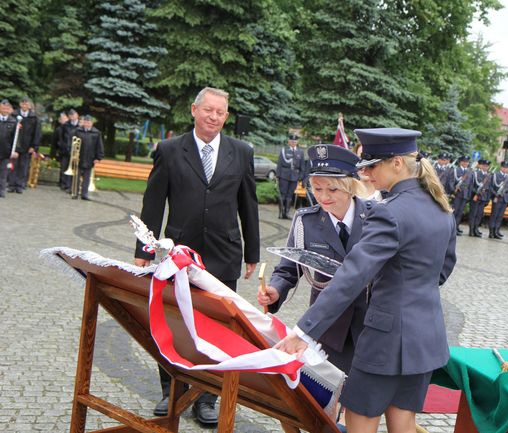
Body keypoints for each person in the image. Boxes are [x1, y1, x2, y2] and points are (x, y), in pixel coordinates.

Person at [274, 127, 457, 433]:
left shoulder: (390, 213)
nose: (367, 175)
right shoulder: (441, 209)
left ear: (396, 163)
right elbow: (442, 270)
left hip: (384, 343)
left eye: (372, 166)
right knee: (403, 424)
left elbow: (352, 277)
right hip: (425, 338)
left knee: (359, 423)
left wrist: (302, 333)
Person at [134, 87, 260, 425]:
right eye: (208, 111)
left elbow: (249, 205)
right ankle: (171, 389)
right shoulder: (170, 150)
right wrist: (144, 250)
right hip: (176, 254)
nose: (214, 117)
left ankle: (207, 398)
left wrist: (253, 253)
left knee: (217, 326)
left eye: (221, 112)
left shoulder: (241, 152)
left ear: (226, 116)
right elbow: (153, 203)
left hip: (223, 254)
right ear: (194, 110)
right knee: (171, 321)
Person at [258, 144, 370, 373]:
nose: (324, 197)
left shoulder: (375, 217)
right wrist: (276, 290)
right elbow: (289, 268)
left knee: (362, 402)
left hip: (368, 321)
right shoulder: (306, 221)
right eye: (317, 189)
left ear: (350, 186)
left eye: (333, 190)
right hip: (327, 325)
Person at [8, 96, 41, 194]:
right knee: (13, 165)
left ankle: (20, 185)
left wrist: (34, 146)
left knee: (23, 166)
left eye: (26, 104)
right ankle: (11, 185)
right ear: (20, 104)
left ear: (29, 105)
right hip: (15, 145)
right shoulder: (14, 115)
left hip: (27, 146)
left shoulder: (34, 118)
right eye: (23, 103)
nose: (24, 105)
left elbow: (37, 133)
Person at [71, 115, 104, 200]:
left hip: (90, 157)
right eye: (85, 122)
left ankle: (84, 194)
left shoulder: (96, 133)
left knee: (86, 177)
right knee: (76, 176)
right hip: (79, 157)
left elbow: (99, 146)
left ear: (91, 123)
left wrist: (98, 157)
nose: (86, 123)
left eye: (88, 122)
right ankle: (75, 192)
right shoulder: (78, 131)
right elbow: (73, 143)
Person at [276, 133, 305, 219]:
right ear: (289, 141)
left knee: (290, 195)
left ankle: (287, 213)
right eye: (292, 141)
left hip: (294, 177)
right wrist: (278, 175)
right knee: (283, 194)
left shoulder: (300, 152)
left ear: (297, 142)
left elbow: (302, 166)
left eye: (295, 141)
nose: (293, 142)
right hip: (284, 175)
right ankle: (281, 212)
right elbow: (280, 163)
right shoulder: (284, 150)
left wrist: (301, 176)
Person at [447, 155, 472, 235]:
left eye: (467, 162)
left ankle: (456, 228)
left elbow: (470, 185)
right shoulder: (455, 170)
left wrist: (469, 195)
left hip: (464, 195)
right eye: (464, 162)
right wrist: (453, 190)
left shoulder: (469, 172)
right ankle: (451, 228)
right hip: (457, 195)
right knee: (455, 212)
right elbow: (450, 181)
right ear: (460, 162)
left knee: (460, 213)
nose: (465, 163)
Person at [487, 160, 508, 239]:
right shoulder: (495, 175)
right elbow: (490, 187)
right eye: (504, 167)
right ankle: (491, 232)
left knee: (500, 216)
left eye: (507, 168)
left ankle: (496, 231)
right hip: (497, 198)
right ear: (501, 167)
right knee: (494, 215)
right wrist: (495, 194)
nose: (506, 169)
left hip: (505, 199)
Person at [467, 159, 491, 237]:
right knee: (473, 214)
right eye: (484, 166)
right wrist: (475, 194)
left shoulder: (488, 176)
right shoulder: (476, 174)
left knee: (479, 214)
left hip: (483, 198)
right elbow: (471, 186)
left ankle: (476, 229)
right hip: (475, 197)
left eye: (487, 166)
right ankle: (471, 230)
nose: (485, 167)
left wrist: (487, 199)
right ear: (481, 166)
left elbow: (488, 188)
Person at [0, 99, 19, 198]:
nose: (5, 110)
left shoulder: (13, 122)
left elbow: (16, 137)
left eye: (7, 108)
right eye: (3, 108)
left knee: (3, 172)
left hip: (6, 151)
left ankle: (1, 190)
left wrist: (14, 150)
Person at [50, 111, 70, 191]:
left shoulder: (69, 128)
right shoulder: (58, 129)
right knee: (63, 167)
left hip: (68, 151)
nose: (63, 120)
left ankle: (67, 184)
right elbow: (54, 141)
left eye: (65, 118)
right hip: (61, 150)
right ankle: (62, 183)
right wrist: (54, 152)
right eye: (62, 119)